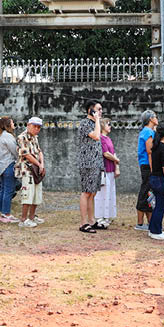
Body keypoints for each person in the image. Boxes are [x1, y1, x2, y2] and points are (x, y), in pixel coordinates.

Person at [78, 100, 103, 234]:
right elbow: (96, 136)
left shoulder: (94, 123)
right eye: (98, 109)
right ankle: (83, 222)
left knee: (92, 193)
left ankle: (92, 220)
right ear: (90, 110)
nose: (101, 112)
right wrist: (97, 120)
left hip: (96, 162)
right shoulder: (85, 123)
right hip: (87, 162)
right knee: (86, 192)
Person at [16, 117, 45, 228]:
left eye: (39, 127)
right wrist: (39, 164)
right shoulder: (22, 137)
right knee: (27, 195)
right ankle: (23, 220)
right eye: (34, 126)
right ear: (28, 125)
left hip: (37, 170)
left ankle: (32, 217)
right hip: (27, 170)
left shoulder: (35, 138)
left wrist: (42, 164)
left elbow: (39, 151)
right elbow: (26, 154)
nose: (36, 129)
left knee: (36, 195)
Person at [135, 110, 158, 231]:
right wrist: (153, 168)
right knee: (146, 191)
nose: (157, 118)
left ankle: (148, 221)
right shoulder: (148, 132)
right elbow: (150, 152)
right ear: (150, 119)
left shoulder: (149, 131)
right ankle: (140, 223)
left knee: (148, 192)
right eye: (155, 116)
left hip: (146, 165)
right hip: (148, 165)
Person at [94, 118, 119, 228]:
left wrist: (116, 166)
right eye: (108, 124)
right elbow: (106, 153)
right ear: (103, 125)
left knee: (109, 193)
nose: (110, 126)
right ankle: (100, 217)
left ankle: (107, 216)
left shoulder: (108, 139)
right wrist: (116, 160)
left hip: (111, 169)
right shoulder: (101, 139)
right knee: (102, 194)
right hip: (103, 169)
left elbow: (113, 153)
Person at [0, 116, 19, 223]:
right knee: (8, 190)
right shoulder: (8, 136)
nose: (14, 124)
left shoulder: (2, 136)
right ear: (8, 124)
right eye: (12, 123)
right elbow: (15, 151)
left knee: (4, 189)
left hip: (2, 166)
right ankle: (6, 214)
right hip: (8, 165)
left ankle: (3, 213)